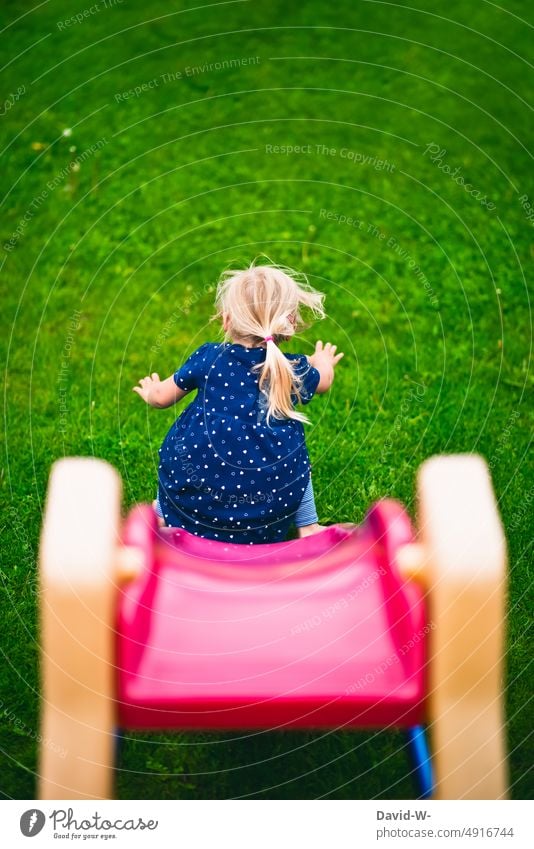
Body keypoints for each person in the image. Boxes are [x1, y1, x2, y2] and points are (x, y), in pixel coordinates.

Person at [133, 263, 344, 544]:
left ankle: (164, 514)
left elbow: (161, 398)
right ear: (289, 326)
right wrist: (322, 362)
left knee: (182, 449)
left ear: (226, 320)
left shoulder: (209, 357)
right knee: (291, 455)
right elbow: (324, 382)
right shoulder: (293, 368)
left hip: (196, 497)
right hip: (268, 512)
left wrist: (150, 392)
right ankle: (308, 526)